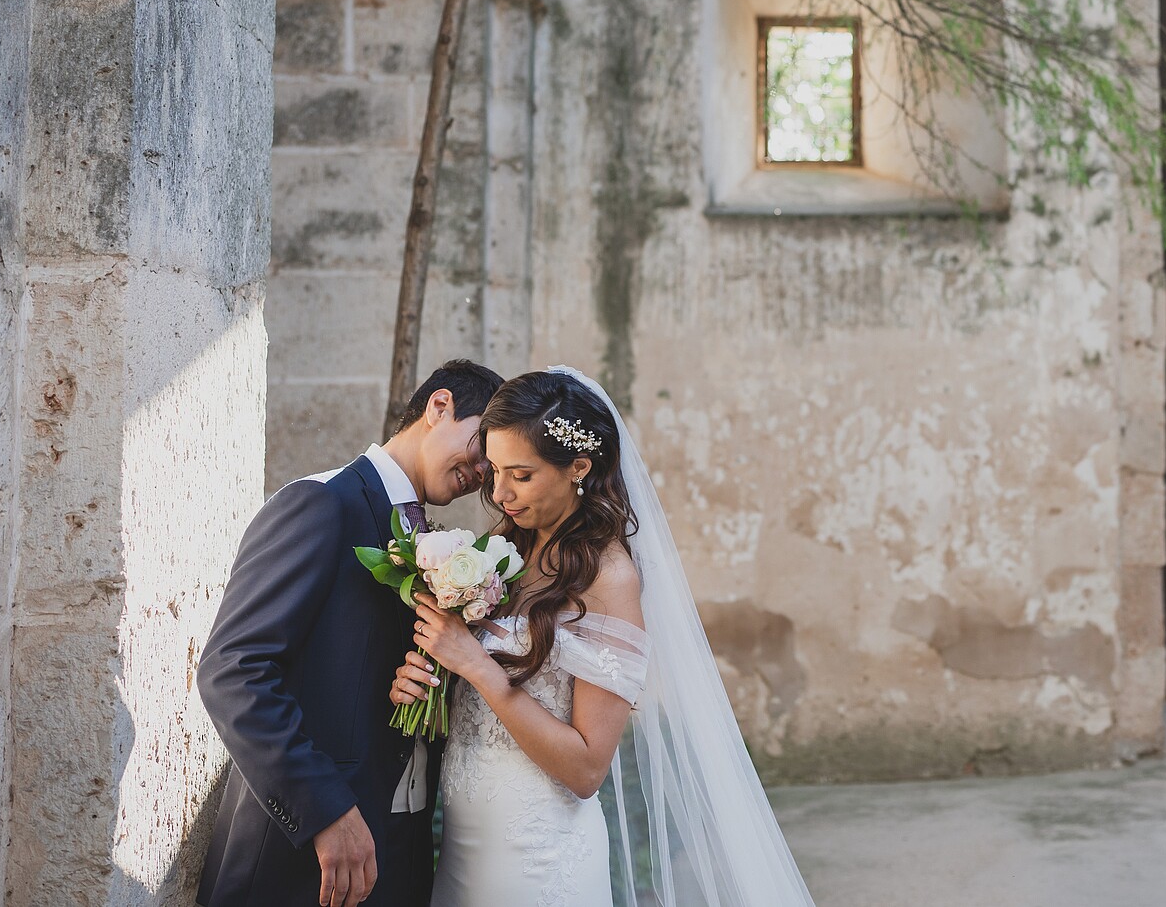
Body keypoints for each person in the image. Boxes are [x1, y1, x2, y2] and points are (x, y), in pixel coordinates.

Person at [396, 367, 818, 907]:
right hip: (464, 848)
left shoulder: (609, 579)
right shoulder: (508, 548)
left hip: (539, 859)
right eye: (495, 470)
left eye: (521, 476)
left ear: (578, 467)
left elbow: (587, 767)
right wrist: (426, 678)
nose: (499, 493)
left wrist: (477, 665)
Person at [197, 360, 506, 907]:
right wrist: (326, 810)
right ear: (440, 407)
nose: (485, 472)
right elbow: (233, 670)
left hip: (400, 854)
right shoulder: (320, 503)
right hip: (301, 859)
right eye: (484, 446)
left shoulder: (432, 538)